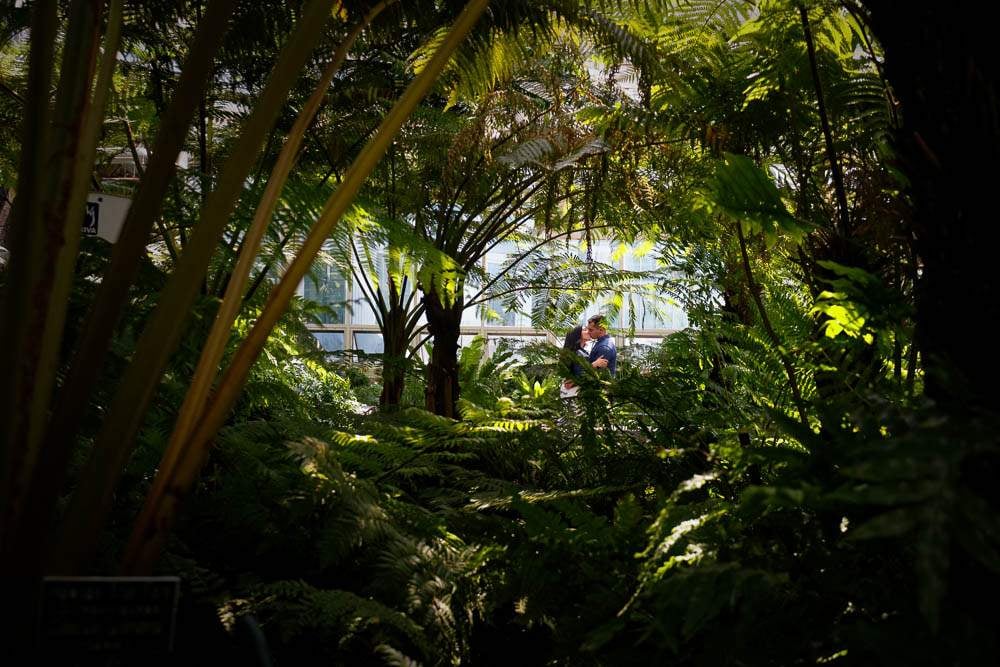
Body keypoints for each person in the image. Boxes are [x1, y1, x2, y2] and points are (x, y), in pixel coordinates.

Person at [560, 324, 591, 397]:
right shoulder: (577, 353)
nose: (588, 331)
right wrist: (595, 364)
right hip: (575, 393)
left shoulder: (580, 351)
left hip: (572, 392)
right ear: (577, 335)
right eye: (584, 330)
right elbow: (582, 374)